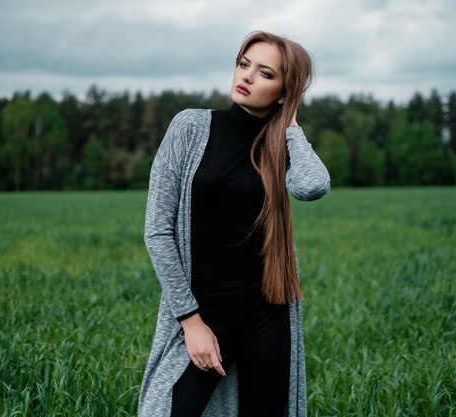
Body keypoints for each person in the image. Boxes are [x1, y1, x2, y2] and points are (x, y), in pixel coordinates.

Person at [137, 30, 330, 417]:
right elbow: (158, 231)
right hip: (202, 313)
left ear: (283, 93)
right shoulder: (190, 127)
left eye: (265, 73)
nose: (246, 77)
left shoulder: (279, 148)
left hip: (266, 318)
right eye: (244, 65)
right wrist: (191, 322)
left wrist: (291, 129)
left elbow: (313, 186)